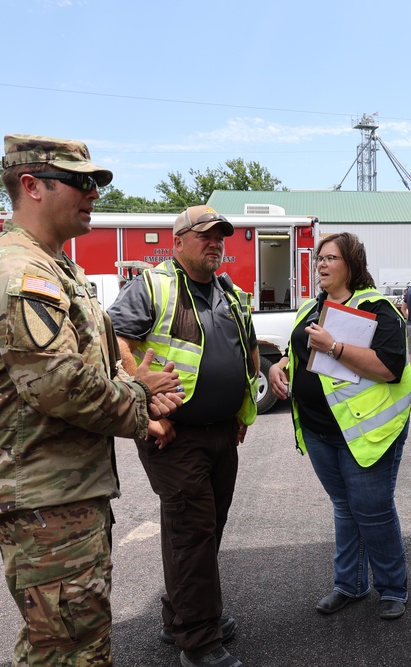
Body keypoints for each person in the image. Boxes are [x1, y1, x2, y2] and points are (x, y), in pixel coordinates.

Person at [0, 134, 183, 666]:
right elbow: (58, 384)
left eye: (96, 183)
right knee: (70, 650)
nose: (93, 194)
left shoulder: (55, 268)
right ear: (32, 186)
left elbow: (82, 367)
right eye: (80, 182)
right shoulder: (19, 272)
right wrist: (139, 400)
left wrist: (137, 398)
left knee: (70, 640)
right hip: (43, 495)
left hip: (61, 491)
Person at [107, 205, 259, 667]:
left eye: (221, 237)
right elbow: (116, 341)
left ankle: (183, 615)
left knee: (204, 529)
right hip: (175, 435)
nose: (216, 243)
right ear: (178, 242)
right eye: (205, 236)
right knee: (192, 533)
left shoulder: (228, 291)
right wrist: (145, 402)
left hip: (220, 432)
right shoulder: (154, 284)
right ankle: (198, 642)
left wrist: (240, 404)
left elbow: (247, 347)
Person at [268, 232, 411, 621]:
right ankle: (349, 585)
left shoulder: (377, 308)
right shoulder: (311, 307)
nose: (321, 264)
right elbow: (296, 350)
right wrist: (279, 365)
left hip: (365, 432)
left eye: (331, 258)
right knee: (344, 509)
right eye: (319, 258)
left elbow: (389, 368)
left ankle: (393, 588)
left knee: (373, 510)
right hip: (318, 431)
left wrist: (335, 347)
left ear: (351, 263)